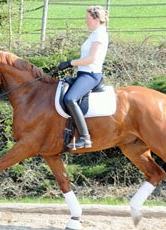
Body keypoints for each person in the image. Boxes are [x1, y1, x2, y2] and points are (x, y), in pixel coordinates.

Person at [57, 6, 109, 150]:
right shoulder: (94, 34)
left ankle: (85, 138)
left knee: (70, 99)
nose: (86, 21)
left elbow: (91, 59)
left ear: (96, 19)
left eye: (88, 19)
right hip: (83, 74)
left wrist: (70, 63)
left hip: (91, 75)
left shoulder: (99, 35)